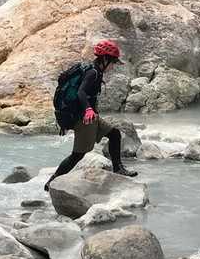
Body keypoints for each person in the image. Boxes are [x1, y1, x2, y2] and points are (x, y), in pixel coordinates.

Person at [45, 39, 137, 190]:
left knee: (114, 134)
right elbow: (81, 92)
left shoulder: (93, 70)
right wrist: (88, 109)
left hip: (90, 116)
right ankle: (51, 182)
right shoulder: (92, 72)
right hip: (84, 118)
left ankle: (118, 168)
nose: (113, 66)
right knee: (77, 155)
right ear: (105, 59)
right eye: (113, 62)